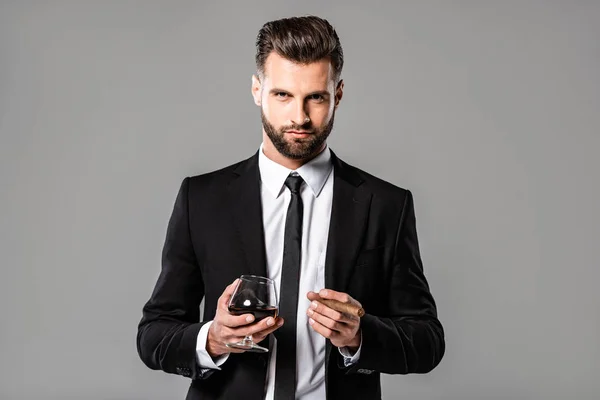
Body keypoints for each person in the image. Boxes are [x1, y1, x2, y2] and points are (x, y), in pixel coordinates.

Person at [137, 15, 445, 400]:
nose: (299, 117)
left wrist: (361, 335)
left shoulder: (385, 204)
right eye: (282, 95)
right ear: (256, 90)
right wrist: (212, 339)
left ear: (339, 94)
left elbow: (428, 340)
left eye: (316, 97)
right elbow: (153, 334)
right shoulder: (202, 199)